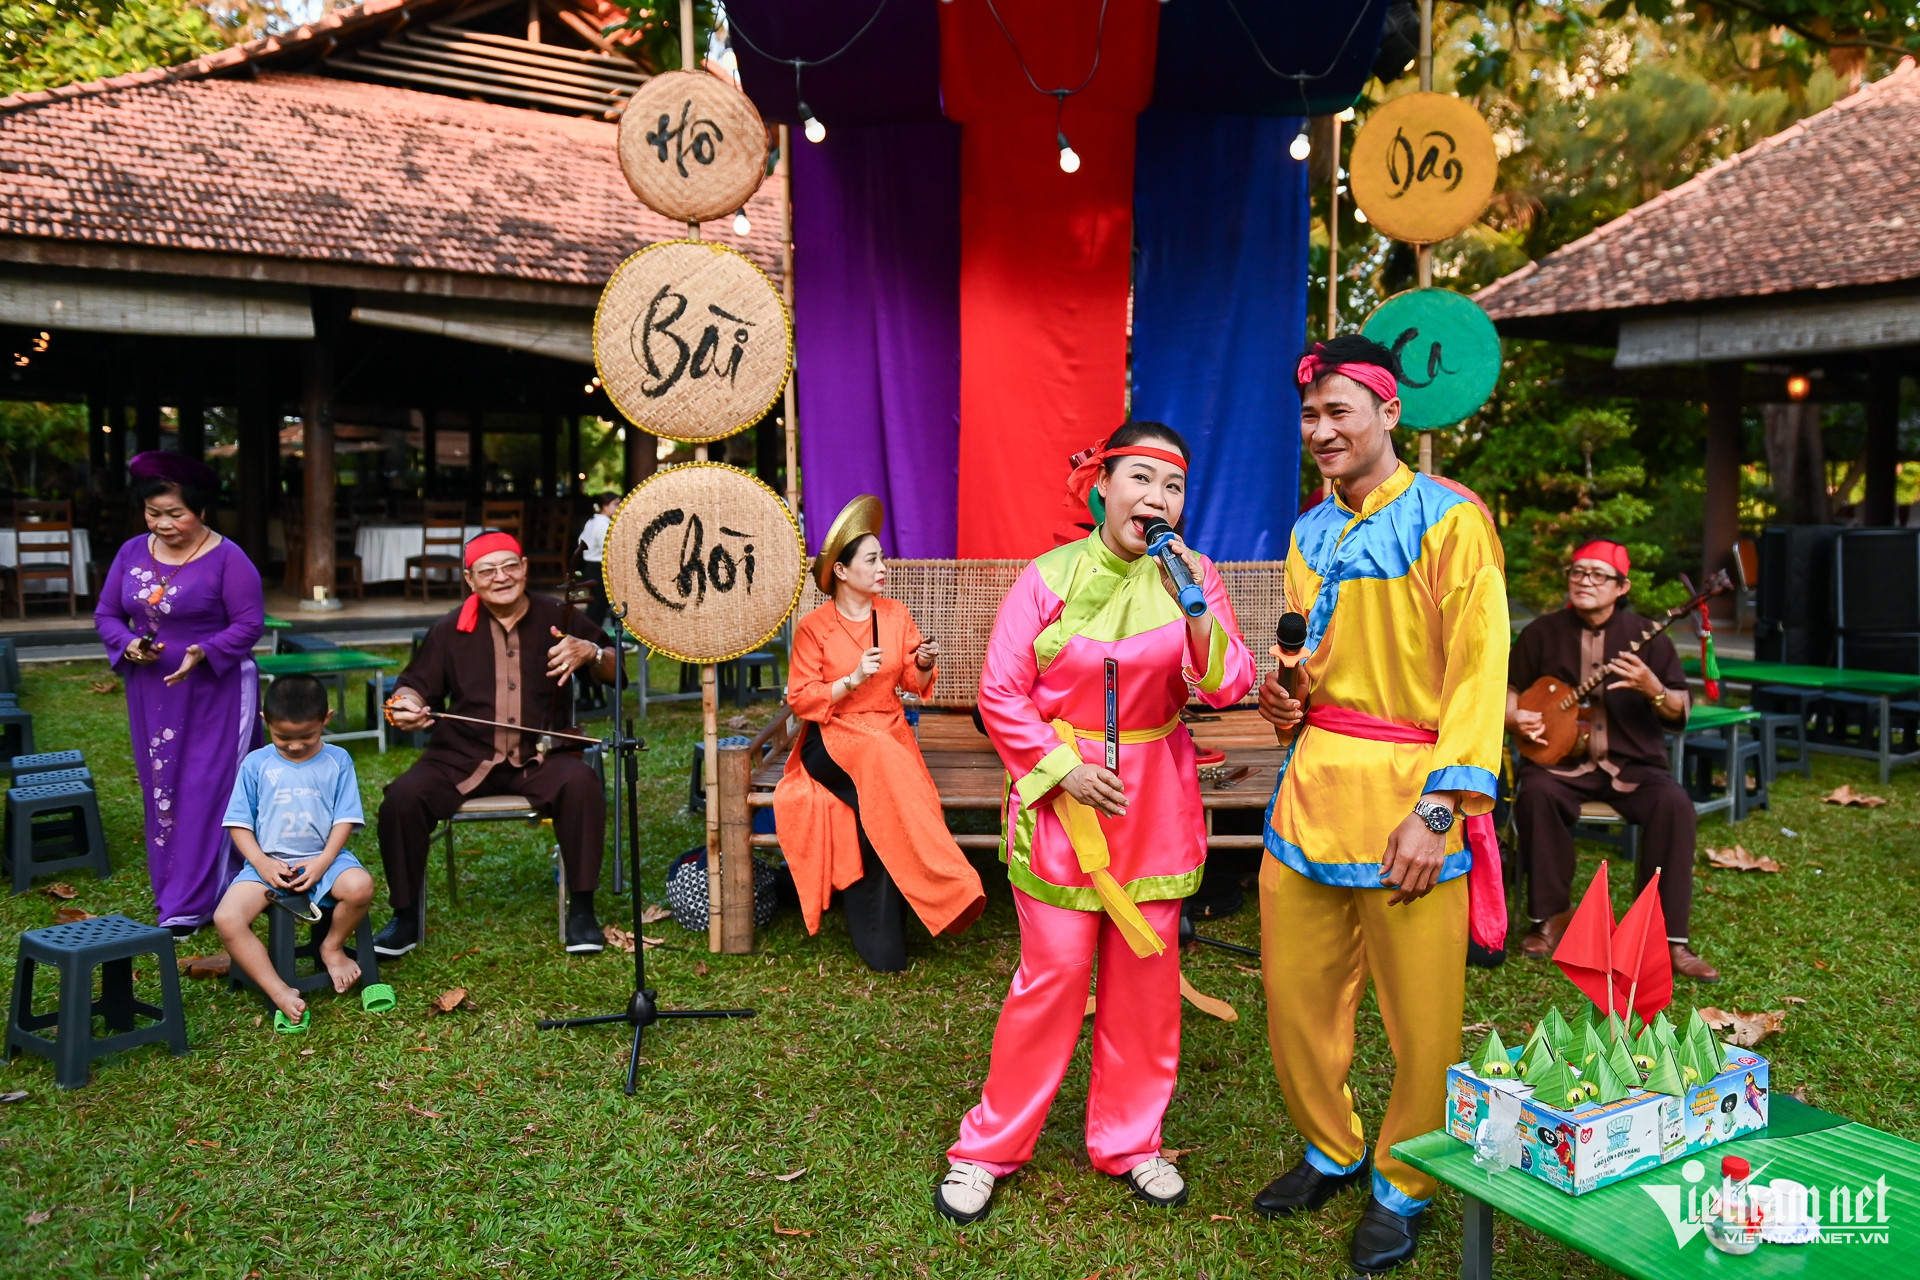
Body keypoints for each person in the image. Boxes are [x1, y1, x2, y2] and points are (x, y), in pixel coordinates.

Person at [937, 423, 1258, 1225]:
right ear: (1103, 486)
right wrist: (1063, 769)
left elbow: (1228, 686)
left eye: (1173, 485)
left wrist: (1195, 614)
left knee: (1147, 984)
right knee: (1050, 979)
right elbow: (1000, 693)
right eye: (1141, 478)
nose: (1157, 498)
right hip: (1063, 801)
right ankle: (987, 1149)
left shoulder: (1195, 576)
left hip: (1156, 801)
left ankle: (1131, 1140)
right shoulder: (1048, 578)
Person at [1256, 337, 1508, 1273]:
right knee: (1295, 996)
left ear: (1389, 413)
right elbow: (1311, 664)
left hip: (1413, 799)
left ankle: (1406, 1180)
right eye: (1310, 416)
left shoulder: (1452, 522)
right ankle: (1331, 1146)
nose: (1321, 430)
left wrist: (1442, 809)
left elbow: (1479, 670)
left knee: (1423, 1018)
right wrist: (1287, 698)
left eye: (1338, 412)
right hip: (1312, 791)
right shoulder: (1307, 532)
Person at [376, 531, 617, 957]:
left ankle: (582, 911)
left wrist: (592, 653)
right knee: (402, 798)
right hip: (462, 757)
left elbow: (616, 670)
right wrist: (405, 706)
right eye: (487, 570)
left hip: (542, 757)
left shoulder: (558, 615)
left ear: (524, 568)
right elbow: (412, 687)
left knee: (581, 784)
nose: (500, 577)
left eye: (509, 566)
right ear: (470, 579)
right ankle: (405, 917)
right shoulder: (449, 629)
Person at [772, 496, 986, 972]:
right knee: (886, 776)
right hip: (831, 739)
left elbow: (911, 678)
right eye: (872, 560)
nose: (883, 567)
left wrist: (923, 662)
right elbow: (801, 699)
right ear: (842, 571)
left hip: (888, 731)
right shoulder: (814, 628)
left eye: (881, 558)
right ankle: (954, 886)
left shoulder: (894, 615)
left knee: (886, 813)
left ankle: (889, 939)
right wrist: (850, 680)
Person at [1507, 539, 1718, 980]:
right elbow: (1510, 689)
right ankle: (1550, 919)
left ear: (1622, 587)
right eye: (1577, 572)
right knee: (1536, 793)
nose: (1585, 581)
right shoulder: (1541, 633)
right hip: (1562, 765)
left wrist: (1653, 690)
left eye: (1598, 575)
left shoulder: (1650, 637)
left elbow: (1680, 707)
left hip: (1633, 764)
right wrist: (1514, 717)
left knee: (1674, 804)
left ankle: (1665, 938)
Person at [95, 451, 265, 936]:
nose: (164, 524)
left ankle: (197, 900)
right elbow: (107, 613)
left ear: (202, 509)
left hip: (216, 690)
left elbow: (249, 624)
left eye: (176, 513)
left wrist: (205, 651)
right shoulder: (131, 552)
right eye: (154, 513)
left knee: (204, 788)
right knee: (162, 788)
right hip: (152, 691)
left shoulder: (229, 559)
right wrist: (128, 644)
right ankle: (177, 888)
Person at [214, 675, 374, 1025]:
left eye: (308, 736)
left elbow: (344, 819)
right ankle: (278, 989)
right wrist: (260, 862)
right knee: (226, 918)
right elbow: (238, 823)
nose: (296, 746)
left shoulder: (338, 760)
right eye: (283, 738)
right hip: (267, 866)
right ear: (265, 721)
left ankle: (332, 946)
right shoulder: (256, 764)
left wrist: (324, 861)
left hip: (326, 860)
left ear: (326, 719)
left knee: (361, 887)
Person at [576, 492, 620, 628]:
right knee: (599, 606)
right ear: (605, 506)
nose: (618, 507)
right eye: (615, 504)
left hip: (591, 565)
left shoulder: (592, 521)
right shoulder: (603, 524)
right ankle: (593, 633)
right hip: (600, 566)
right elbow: (607, 547)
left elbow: (580, 541)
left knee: (605, 604)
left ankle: (607, 633)